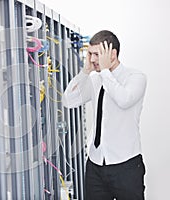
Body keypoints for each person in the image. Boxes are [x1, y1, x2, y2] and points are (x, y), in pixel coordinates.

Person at [62, 30, 147, 200]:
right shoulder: (95, 80)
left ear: (112, 54)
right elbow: (68, 100)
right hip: (95, 164)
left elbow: (124, 100)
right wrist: (85, 72)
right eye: (90, 54)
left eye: (96, 54)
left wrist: (106, 72)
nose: (92, 59)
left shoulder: (136, 77)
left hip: (126, 165)